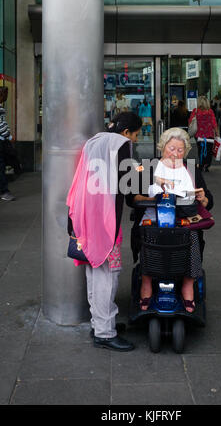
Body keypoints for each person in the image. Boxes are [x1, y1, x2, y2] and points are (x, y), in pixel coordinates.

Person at [66, 112, 142, 352]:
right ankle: (105, 333)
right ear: (127, 132)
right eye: (137, 135)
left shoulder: (94, 141)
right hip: (105, 222)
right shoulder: (122, 145)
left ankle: (99, 324)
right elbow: (127, 188)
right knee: (107, 276)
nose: (136, 140)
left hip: (84, 215)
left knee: (94, 271)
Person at [126, 127, 214, 313]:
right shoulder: (147, 166)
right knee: (149, 237)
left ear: (186, 151)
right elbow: (131, 197)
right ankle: (147, 283)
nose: (175, 153)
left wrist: (202, 198)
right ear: (162, 147)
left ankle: (188, 285)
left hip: (183, 223)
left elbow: (208, 201)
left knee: (192, 238)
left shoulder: (191, 168)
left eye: (180, 150)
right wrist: (154, 199)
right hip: (154, 220)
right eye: (171, 148)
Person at [0, 86, 16, 201]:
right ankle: (5, 192)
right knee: (0, 165)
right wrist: (9, 136)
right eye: (6, 94)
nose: (7, 96)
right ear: (2, 94)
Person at [188, 96, 218, 172]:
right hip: (209, 134)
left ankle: (201, 165)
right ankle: (207, 165)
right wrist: (217, 133)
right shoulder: (210, 111)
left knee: (200, 150)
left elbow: (190, 121)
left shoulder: (195, 111)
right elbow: (214, 123)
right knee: (209, 150)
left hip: (199, 135)